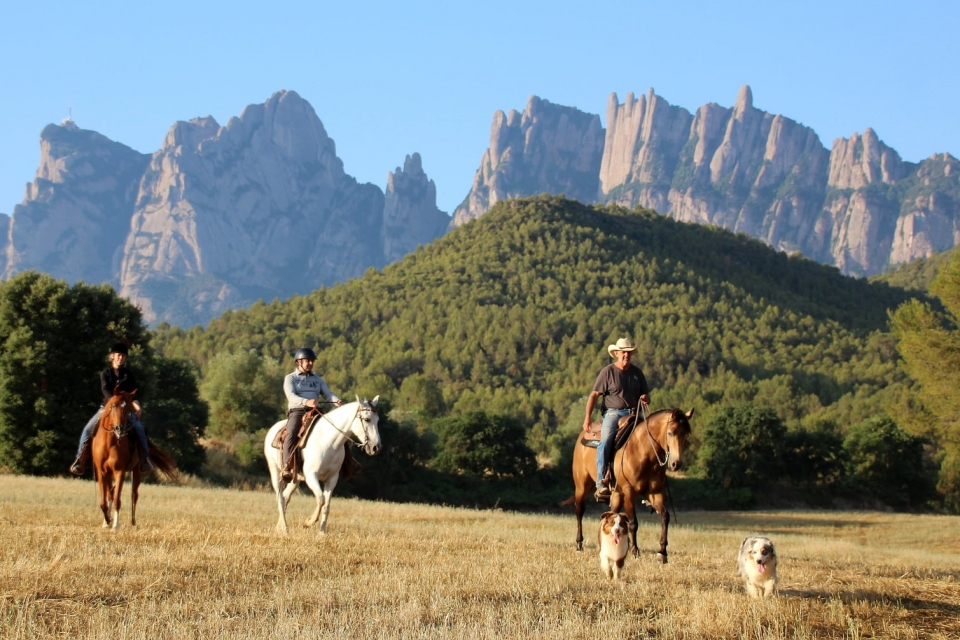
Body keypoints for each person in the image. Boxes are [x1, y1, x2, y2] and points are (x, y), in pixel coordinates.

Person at [582, 337, 650, 501]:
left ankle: (650, 483)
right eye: (623, 353)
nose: (626, 355)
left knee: (651, 440)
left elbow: (646, 394)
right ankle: (601, 482)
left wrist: (646, 398)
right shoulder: (608, 372)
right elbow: (594, 395)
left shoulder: (637, 373)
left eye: (628, 353)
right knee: (605, 441)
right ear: (617, 353)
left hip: (634, 413)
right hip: (613, 413)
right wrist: (587, 418)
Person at [70, 343, 153, 476]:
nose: (121, 358)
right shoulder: (105, 374)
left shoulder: (129, 375)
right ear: (112, 356)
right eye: (119, 355)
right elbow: (105, 391)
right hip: (107, 408)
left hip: (125, 410)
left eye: (123, 356)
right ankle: (80, 460)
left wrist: (138, 407)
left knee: (139, 428)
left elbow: (133, 395)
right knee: (87, 429)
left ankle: (145, 460)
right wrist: (112, 404)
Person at [281, 347, 342, 481]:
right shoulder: (290, 378)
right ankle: (287, 466)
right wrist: (306, 402)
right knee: (291, 433)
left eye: (312, 361)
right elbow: (291, 396)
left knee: (338, 431)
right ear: (299, 362)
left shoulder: (318, 380)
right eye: (307, 361)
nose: (310, 363)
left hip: (316, 411)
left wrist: (335, 400)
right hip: (298, 411)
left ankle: (348, 463)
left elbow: (327, 394)